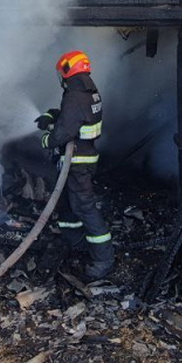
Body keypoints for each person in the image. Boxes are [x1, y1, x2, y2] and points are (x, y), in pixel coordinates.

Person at [36, 50, 114, 280]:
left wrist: (47, 139)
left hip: (78, 162)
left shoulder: (74, 96)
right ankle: (76, 242)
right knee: (67, 206)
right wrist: (53, 115)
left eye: (62, 72)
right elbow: (76, 117)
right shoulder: (88, 92)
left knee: (84, 207)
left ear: (68, 70)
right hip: (80, 159)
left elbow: (63, 133)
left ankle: (104, 259)